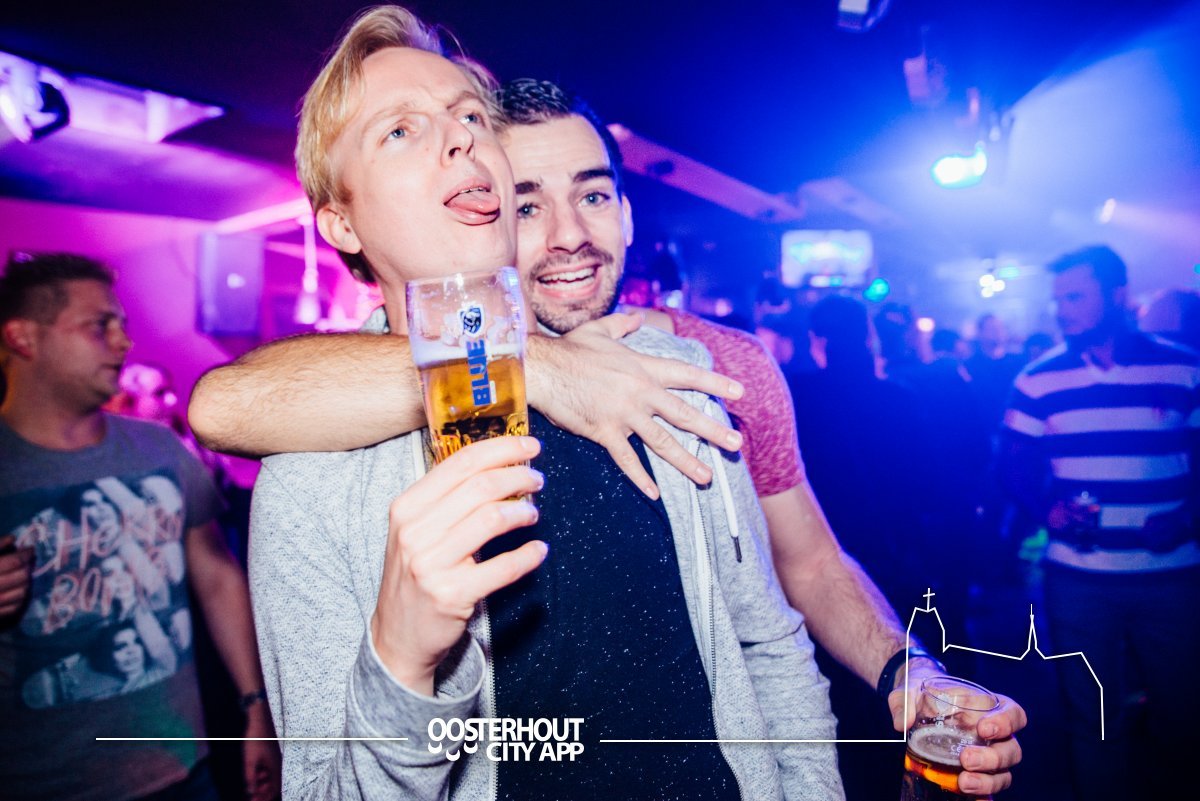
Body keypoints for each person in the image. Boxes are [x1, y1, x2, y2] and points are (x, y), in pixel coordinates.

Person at [188, 30, 1026, 801]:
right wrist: (402, 661)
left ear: (628, 213)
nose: (566, 235)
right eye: (528, 203)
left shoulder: (691, 373)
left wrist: (901, 681)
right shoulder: (313, 467)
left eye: (469, 118)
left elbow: (782, 612)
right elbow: (221, 404)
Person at [0, 253, 280, 801]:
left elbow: (216, 576)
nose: (123, 342)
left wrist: (256, 711)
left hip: (184, 770)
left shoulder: (158, 448)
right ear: (22, 338)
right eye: (99, 325)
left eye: (122, 324)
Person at [999, 244, 1200, 801]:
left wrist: (1189, 516)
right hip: (1078, 578)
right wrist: (1046, 510)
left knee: (1184, 715)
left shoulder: (1183, 367)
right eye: (1059, 299)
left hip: (1172, 576)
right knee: (1094, 720)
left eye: (1075, 297)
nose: (1062, 310)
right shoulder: (1038, 379)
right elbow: (1011, 464)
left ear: (1117, 295)